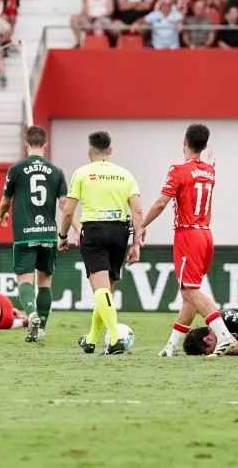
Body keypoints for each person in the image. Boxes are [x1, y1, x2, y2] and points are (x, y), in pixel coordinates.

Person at [139, 123, 238, 357]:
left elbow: (161, 203)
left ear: (184, 142)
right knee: (189, 294)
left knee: (191, 292)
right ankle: (171, 347)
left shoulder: (178, 170)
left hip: (188, 235)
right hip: (205, 235)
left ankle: (224, 336)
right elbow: (211, 162)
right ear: (204, 146)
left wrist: (142, 225)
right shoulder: (210, 171)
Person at [58, 131, 143, 355]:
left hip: (94, 230)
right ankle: (92, 340)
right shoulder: (125, 175)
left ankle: (115, 338)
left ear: (89, 152)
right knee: (107, 290)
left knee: (100, 289)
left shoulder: (82, 173)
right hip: (119, 231)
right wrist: (136, 243)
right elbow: (137, 211)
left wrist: (63, 236)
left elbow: (68, 211)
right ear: (110, 151)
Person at [0, 126, 69, 343]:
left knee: (24, 280)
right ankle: (42, 329)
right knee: (45, 282)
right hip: (48, 234)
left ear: (25, 144)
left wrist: (1, 215)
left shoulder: (16, 169)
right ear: (45, 145)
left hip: (24, 234)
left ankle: (31, 315)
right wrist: (68, 231)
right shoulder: (56, 171)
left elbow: (6, 200)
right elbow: (65, 205)